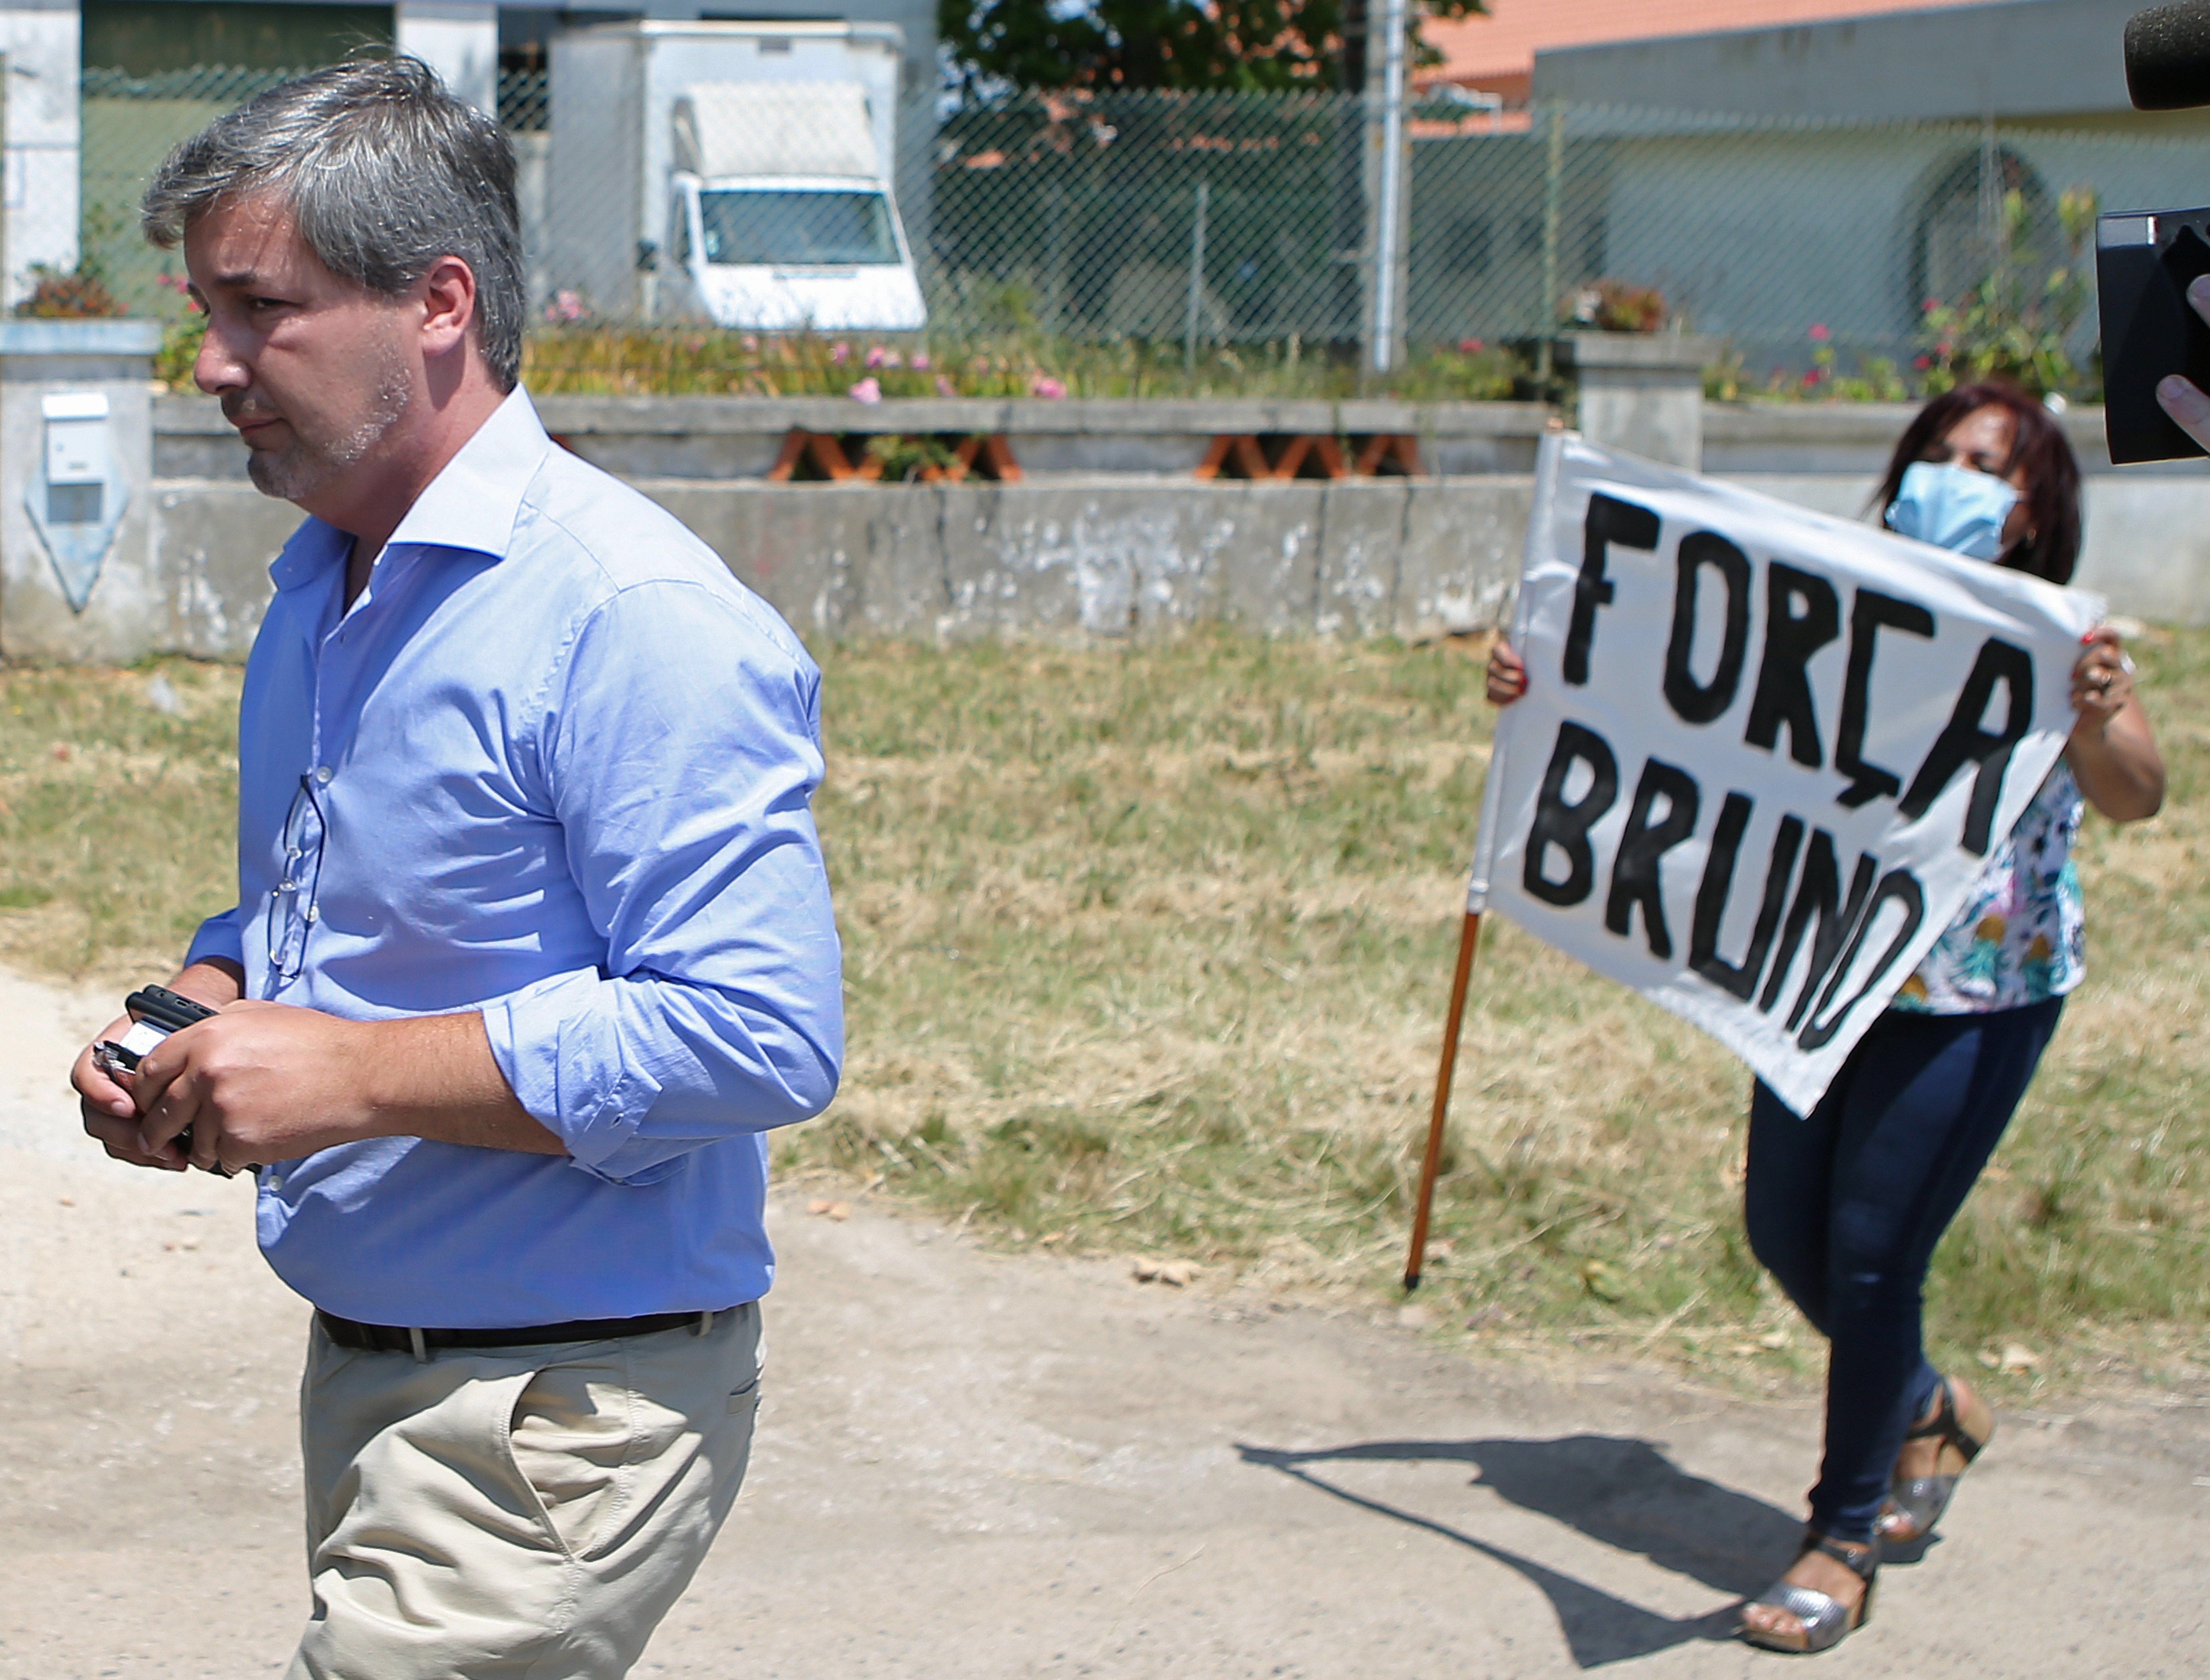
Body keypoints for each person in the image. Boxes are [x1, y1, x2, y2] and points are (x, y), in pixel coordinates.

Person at [69, 57, 842, 1680]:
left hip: (562, 1410)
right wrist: (207, 1002)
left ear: (436, 302)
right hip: (381, 1372)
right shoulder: (326, 581)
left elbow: (757, 1033)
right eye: (203, 306)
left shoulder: (631, 617)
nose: (207, 364)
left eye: (257, 308)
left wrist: (349, 1077)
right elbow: (344, 908)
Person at [1486, 382, 2164, 1654]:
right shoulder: (1845, 606)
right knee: (1780, 1230)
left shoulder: (2063, 643)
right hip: (1829, 976)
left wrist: (2089, 708)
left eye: (1988, 466)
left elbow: (2139, 796)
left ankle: (1840, 1536)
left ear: (2034, 511)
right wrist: (1549, 676)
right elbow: (1686, 692)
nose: (1954, 478)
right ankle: (1925, 1405)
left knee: (1869, 1254)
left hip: (1975, 995)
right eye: (1939, 455)